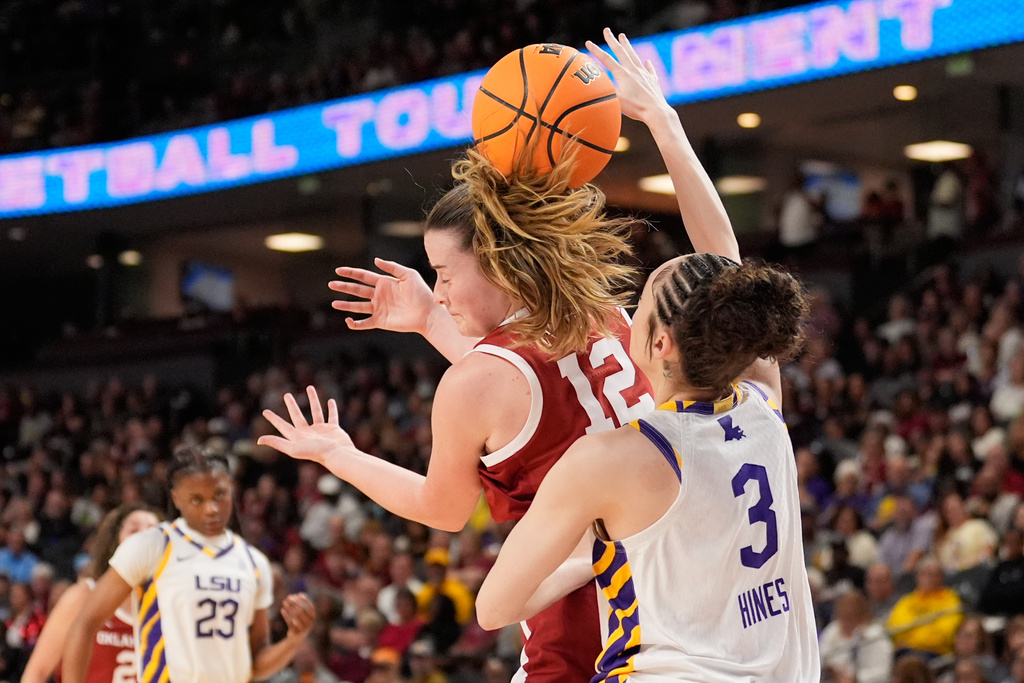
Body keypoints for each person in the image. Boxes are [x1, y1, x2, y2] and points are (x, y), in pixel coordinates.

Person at [259, 26, 738, 683]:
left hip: (582, 646)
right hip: (686, 622)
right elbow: (536, 388)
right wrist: (431, 317)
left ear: (499, 263)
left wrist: (340, 453)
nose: (443, 289)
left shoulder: (477, 382)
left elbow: (445, 506)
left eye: (444, 273)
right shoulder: (610, 319)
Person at [471, 32, 819, 682]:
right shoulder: (763, 410)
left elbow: (495, 605)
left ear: (657, 344)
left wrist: (589, 558)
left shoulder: (613, 456)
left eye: (645, 294)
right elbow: (725, 255)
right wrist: (663, 119)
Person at [62, 446, 316, 683]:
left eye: (220, 495)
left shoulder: (254, 562)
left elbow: (255, 664)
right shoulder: (154, 546)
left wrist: (293, 640)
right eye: (197, 499)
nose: (211, 509)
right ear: (177, 499)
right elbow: (85, 624)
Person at [22, 504, 160, 683]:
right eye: (134, 531)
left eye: (152, 532)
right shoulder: (83, 596)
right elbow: (37, 673)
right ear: (114, 542)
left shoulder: (172, 602)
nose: (143, 539)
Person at [886, 556, 963, 658]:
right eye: (925, 573)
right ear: (917, 576)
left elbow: (945, 635)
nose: (930, 578)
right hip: (905, 652)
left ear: (942, 577)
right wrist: (926, 630)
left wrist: (913, 641)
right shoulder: (906, 601)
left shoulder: (950, 599)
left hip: (935, 654)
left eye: (935, 574)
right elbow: (896, 630)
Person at [819, 589, 894, 683]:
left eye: (850, 616)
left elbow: (882, 672)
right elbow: (821, 658)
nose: (846, 622)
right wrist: (830, 670)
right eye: (843, 615)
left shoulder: (875, 634)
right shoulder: (833, 630)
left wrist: (855, 679)